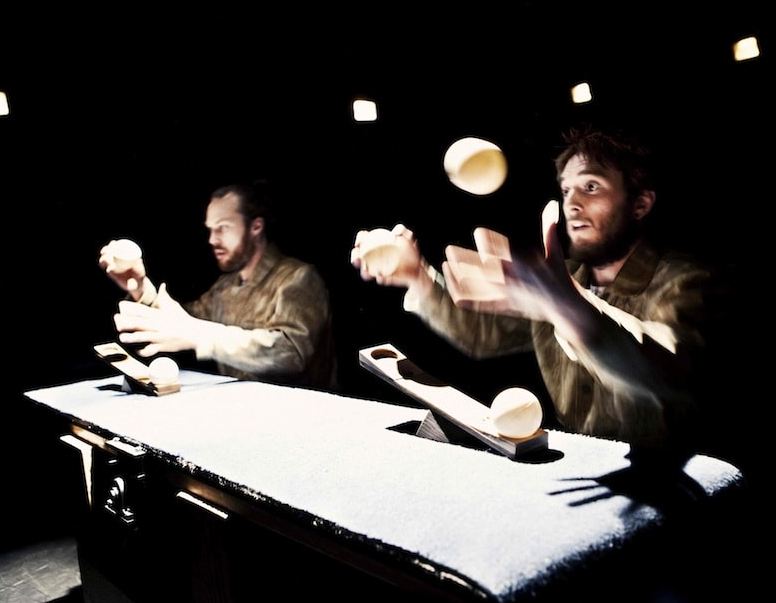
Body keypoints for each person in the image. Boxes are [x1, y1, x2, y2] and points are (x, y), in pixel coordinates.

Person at [350, 126, 739, 470]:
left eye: (591, 187)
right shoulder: (563, 279)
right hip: (580, 464)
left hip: (678, 478)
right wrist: (417, 276)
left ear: (640, 204)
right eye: (566, 189)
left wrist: (570, 308)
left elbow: (669, 369)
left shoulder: (688, 281)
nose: (573, 203)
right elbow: (480, 333)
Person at [100, 179, 337, 390]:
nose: (212, 239)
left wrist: (198, 334)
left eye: (223, 227)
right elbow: (182, 321)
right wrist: (140, 286)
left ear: (256, 226)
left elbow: (291, 353)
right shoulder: (225, 287)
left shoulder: (298, 278)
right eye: (211, 230)